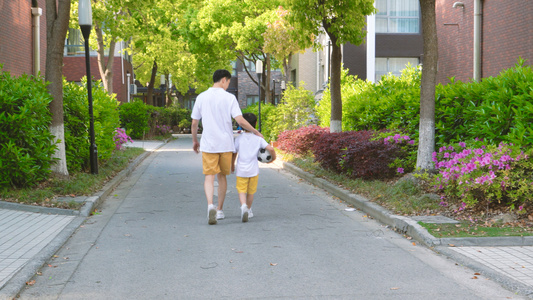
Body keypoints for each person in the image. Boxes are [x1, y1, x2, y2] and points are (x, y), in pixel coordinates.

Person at [191, 69, 262, 225]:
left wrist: (195, 140)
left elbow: (195, 123)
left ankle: (210, 205)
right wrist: (256, 132)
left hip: (209, 144)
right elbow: (241, 121)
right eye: (228, 82)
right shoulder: (229, 98)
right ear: (224, 80)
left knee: (209, 177)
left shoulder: (201, 97)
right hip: (225, 145)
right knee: (222, 177)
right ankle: (220, 210)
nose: (228, 85)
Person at [231, 112, 276, 222]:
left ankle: (243, 207)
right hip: (253, 170)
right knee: (250, 192)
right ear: (255, 123)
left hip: (241, 170)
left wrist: (232, 164)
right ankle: (249, 209)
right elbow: (271, 149)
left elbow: (234, 153)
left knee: (241, 191)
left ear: (242, 124)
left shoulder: (238, 139)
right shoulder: (258, 139)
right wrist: (273, 159)